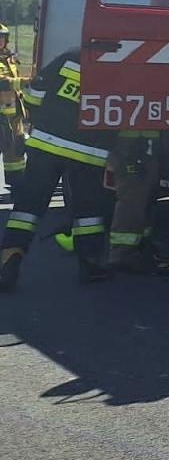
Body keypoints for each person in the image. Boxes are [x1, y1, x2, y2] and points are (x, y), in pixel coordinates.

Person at [0, 46, 116, 289]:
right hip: (89, 154)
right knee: (88, 213)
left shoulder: (69, 57)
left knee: (27, 208)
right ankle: (91, 266)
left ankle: (10, 259)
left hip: (46, 146)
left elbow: (32, 98)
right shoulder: (122, 69)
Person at [106, 130, 169, 274]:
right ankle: (122, 255)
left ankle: (142, 247)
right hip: (129, 144)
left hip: (147, 142)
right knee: (131, 200)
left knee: (145, 199)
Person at [0, 24, 25, 198]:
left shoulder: (9, 58)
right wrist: (25, 82)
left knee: (16, 154)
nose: (0, 41)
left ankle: (18, 188)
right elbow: (3, 82)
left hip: (14, 116)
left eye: (2, 37)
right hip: (1, 117)